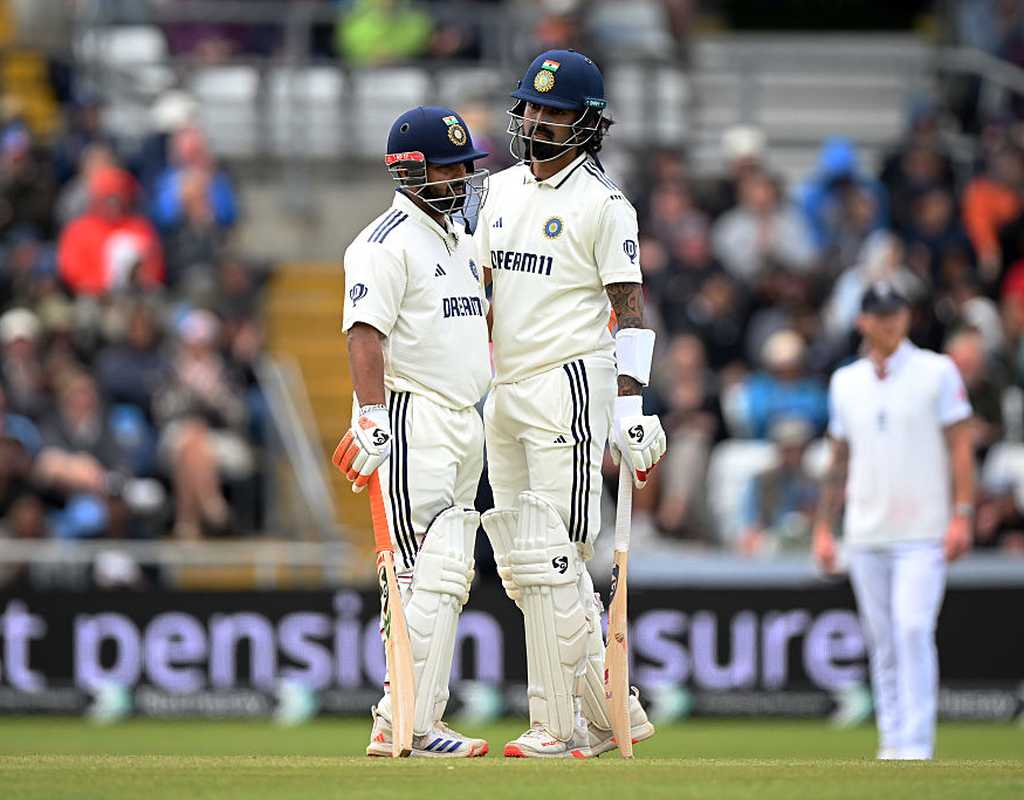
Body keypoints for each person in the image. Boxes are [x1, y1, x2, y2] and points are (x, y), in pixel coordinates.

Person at [475, 49, 665, 759]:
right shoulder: (496, 192)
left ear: (588, 125)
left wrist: (631, 408)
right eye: (532, 108)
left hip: (570, 384)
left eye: (555, 112)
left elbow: (632, 313)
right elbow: (482, 297)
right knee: (522, 566)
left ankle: (555, 725)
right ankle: (611, 709)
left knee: (555, 556)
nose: (537, 121)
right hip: (507, 386)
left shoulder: (607, 205)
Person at [332, 105, 491, 758]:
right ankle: (403, 721)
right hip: (409, 417)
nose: (463, 179)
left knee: (447, 576)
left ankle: (416, 718)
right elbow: (364, 332)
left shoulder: (458, 238)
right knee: (414, 576)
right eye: (451, 168)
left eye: (465, 167)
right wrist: (371, 415)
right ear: (411, 170)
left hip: (462, 420)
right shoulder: (382, 241)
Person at [813, 282, 974, 761]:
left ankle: (917, 745)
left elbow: (960, 446)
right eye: (879, 314)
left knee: (911, 628)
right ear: (863, 321)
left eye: (896, 312)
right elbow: (838, 459)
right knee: (882, 641)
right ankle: (892, 742)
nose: (889, 321)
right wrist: (825, 527)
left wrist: (962, 514)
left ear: (907, 316)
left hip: (924, 530)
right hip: (865, 531)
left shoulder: (937, 372)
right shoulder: (846, 381)